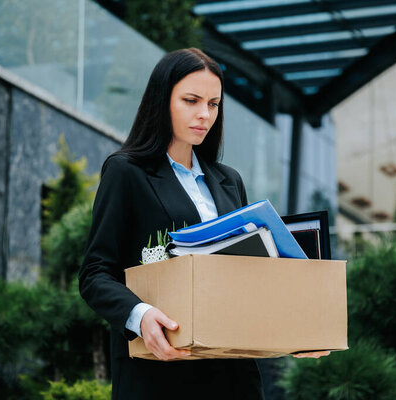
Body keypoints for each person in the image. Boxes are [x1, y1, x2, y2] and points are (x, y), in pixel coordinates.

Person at [79, 48, 328, 400]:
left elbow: (248, 279)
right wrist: (140, 315)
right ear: (161, 101)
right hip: (160, 375)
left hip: (233, 378)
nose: (204, 115)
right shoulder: (126, 173)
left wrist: (295, 331)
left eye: (213, 104)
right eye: (191, 100)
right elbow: (95, 273)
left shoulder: (229, 181)